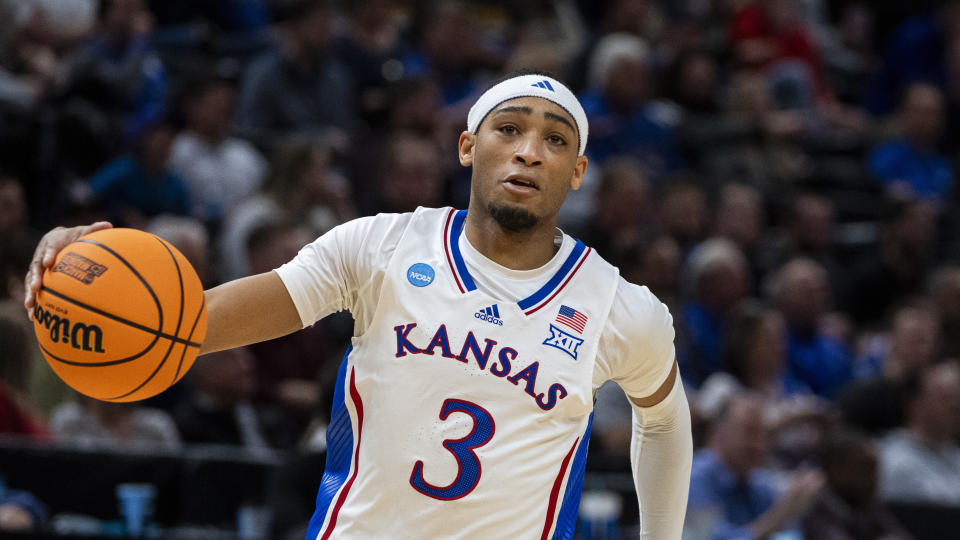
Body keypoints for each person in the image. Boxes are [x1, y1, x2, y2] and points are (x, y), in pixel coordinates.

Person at [24, 72, 692, 538]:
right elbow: (187, 325)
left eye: (555, 141)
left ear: (577, 172)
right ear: (467, 146)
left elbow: (663, 424)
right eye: (509, 129)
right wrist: (81, 282)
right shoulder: (379, 245)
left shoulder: (621, 308)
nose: (528, 151)